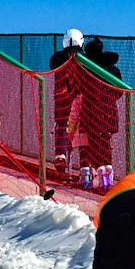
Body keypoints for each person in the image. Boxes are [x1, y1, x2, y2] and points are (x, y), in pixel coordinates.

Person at [74, 37, 123, 190]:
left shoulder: (85, 69)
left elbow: (78, 89)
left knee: (93, 145)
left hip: (91, 113)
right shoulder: (113, 69)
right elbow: (119, 92)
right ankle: (107, 181)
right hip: (109, 113)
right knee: (106, 144)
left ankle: (94, 176)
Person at [48, 29, 85, 170]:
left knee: (61, 125)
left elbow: (52, 65)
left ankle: (60, 156)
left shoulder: (57, 58)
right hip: (80, 97)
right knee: (81, 128)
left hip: (61, 96)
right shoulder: (85, 58)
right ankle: (84, 164)